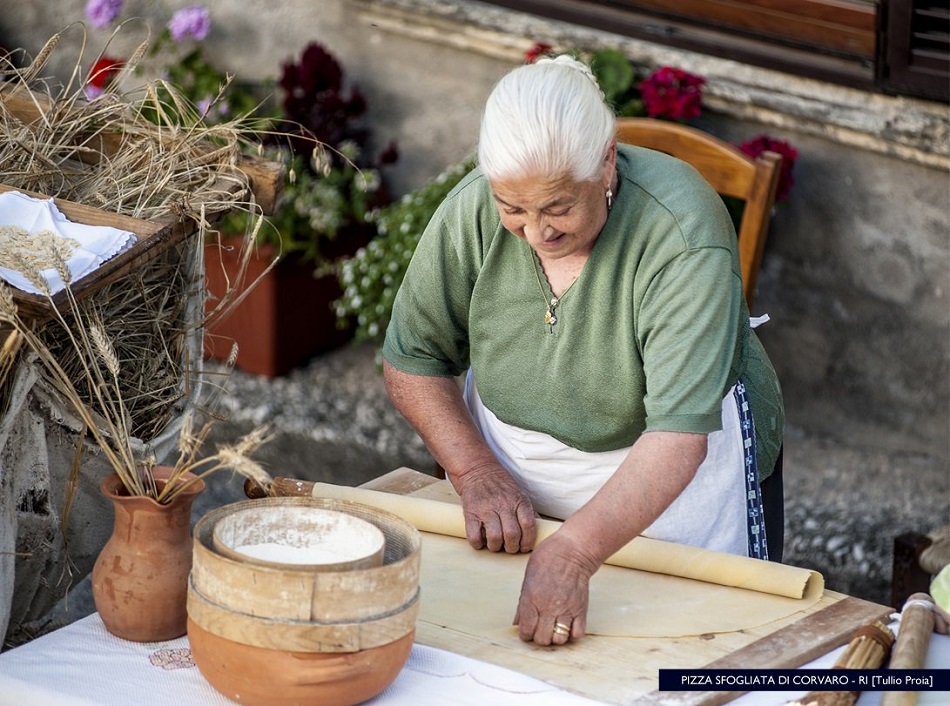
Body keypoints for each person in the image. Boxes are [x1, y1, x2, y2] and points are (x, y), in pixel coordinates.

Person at [381, 55, 785, 647]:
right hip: (510, 462)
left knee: (693, 654)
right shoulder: (472, 209)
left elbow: (676, 437)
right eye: (513, 209)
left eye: (558, 208)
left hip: (672, 474)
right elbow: (413, 359)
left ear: (605, 161)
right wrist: (475, 470)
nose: (537, 234)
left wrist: (572, 554)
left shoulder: (682, 234)